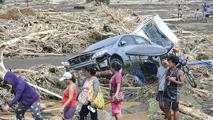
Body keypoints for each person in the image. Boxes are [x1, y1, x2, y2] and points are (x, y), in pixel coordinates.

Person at [164, 55, 185, 120]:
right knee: (167, 109)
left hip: (175, 94)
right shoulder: (168, 70)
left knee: (175, 110)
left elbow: (182, 83)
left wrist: (173, 80)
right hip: (167, 93)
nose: (168, 64)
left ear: (174, 63)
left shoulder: (179, 72)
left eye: (169, 62)